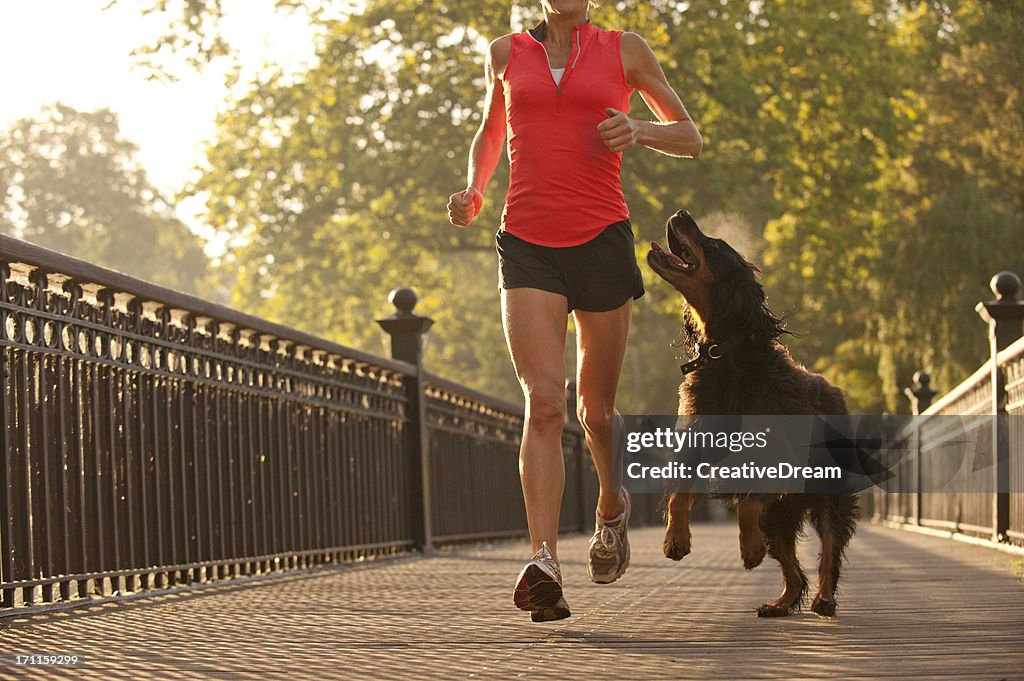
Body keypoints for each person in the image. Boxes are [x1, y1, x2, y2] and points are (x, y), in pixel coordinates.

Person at [447, 0, 702, 622]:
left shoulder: (626, 49)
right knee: (545, 401)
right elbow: (492, 130)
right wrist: (477, 188)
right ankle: (543, 561)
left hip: (602, 240)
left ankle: (611, 509)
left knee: (595, 411)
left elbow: (690, 138)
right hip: (527, 242)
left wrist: (638, 130)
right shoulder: (506, 53)